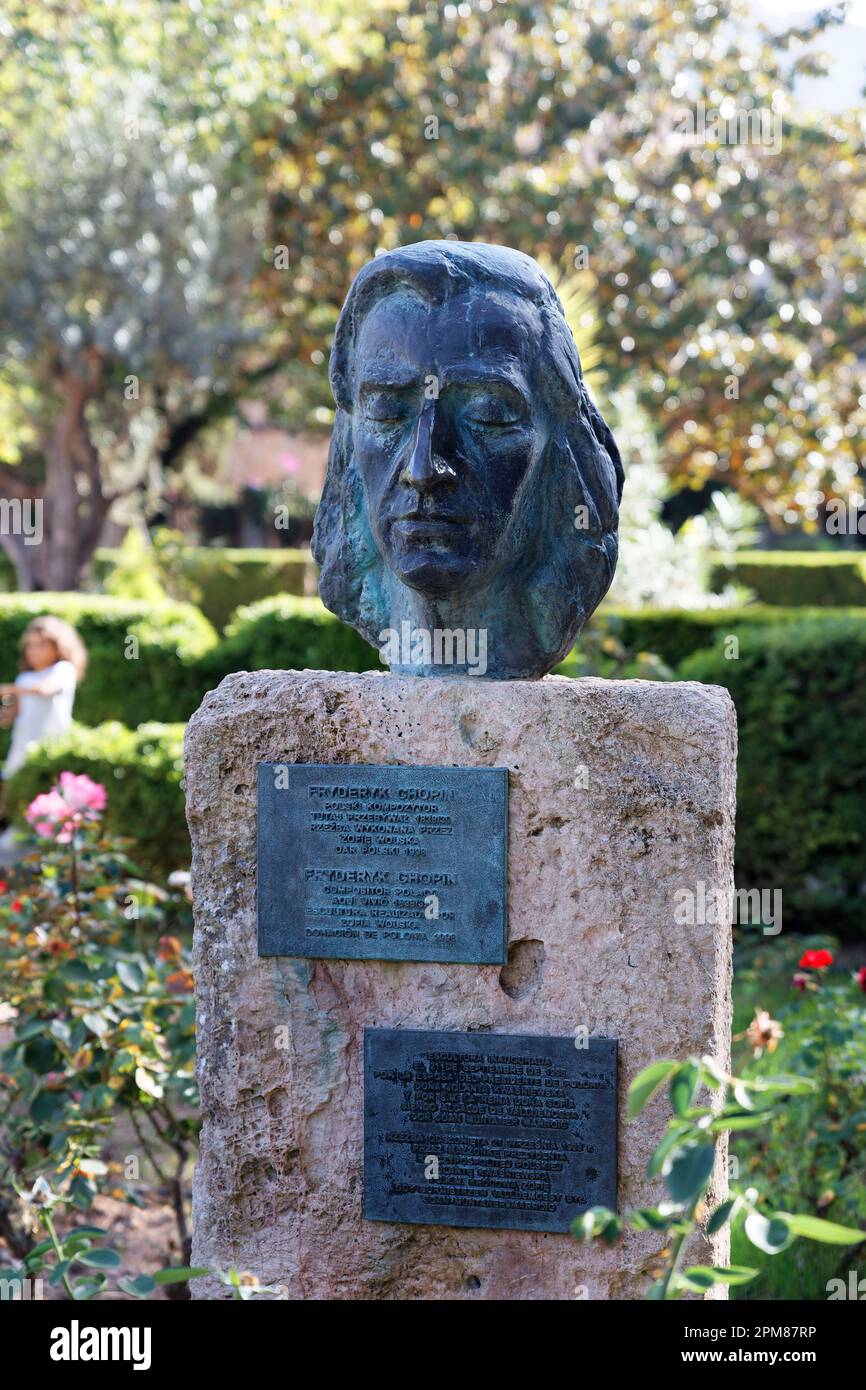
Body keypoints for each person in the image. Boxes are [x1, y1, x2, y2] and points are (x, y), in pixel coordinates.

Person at [0, 616, 87, 788]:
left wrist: (10, 689)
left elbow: (45, 690)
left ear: (57, 647)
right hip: (22, 750)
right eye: (30, 645)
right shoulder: (24, 678)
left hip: (51, 751)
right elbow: (14, 714)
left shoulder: (63, 670)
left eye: (41, 645)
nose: (33, 650)